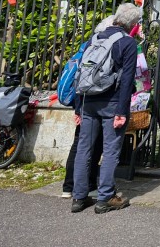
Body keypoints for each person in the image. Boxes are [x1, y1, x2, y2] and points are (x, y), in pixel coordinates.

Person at [71, 3, 140, 214]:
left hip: (88, 101)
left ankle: (79, 197)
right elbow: (127, 79)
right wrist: (121, 111)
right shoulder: (128, 43)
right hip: (112, 103)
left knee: (84, 149)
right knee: (111, 150)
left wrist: (77, 107)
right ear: (133, 24)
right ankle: (105, 198)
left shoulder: (94, 39)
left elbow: (80, 72)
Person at [61, 15, 114, 198]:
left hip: (84, 99)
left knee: (84, 144)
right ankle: (75, 185)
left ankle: (75, 185)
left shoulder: (90, 45)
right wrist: (78, 108)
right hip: (89, 101)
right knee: (85, 144)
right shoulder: (98, 47)